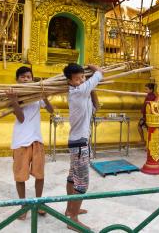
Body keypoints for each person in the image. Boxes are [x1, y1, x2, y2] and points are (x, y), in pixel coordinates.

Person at [6, 66, 54, 220]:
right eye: (22, 77)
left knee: (40, 175)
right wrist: (14, 101)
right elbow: (21, 118)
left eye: (28, 76)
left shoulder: (37, 95)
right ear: (17, 79)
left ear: (32, 79)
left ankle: (39, 202)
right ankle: (23, 205)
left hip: (37, 140)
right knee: (20, 176)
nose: (26, 79)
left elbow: (51, 110)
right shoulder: (15, 96)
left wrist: (44, 96)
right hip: (21, 142)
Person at [63, 63, 104, 231]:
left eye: (83, 77)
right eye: (77, 78)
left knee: (72, 177)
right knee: (82, 183)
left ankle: (69, 209)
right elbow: (100, 74)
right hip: (79, 145)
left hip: (77, 143)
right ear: (70, 81)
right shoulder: (78, 92)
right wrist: (94, 69)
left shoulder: (81, 93)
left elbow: (96, 107)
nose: (81, 81)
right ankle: (73, 220)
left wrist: (91, 87)